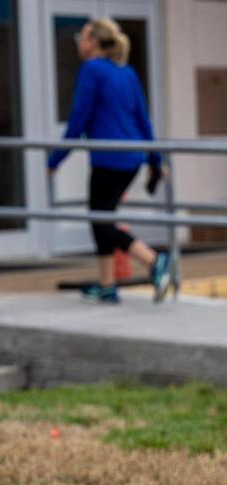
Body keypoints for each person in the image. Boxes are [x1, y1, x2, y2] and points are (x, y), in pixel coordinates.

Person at [47, 17, 171, 304]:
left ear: (93, 43)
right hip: (131, 159)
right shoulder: (126, 72)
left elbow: (79, 119)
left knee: (100, 221)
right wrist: (154, 159)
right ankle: (107, 284)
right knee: (103, 217)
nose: (80, 41)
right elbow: (143, 120)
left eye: (84, 36)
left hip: (108, 160)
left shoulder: (92, 70)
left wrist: (55, 160)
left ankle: (153, 261)